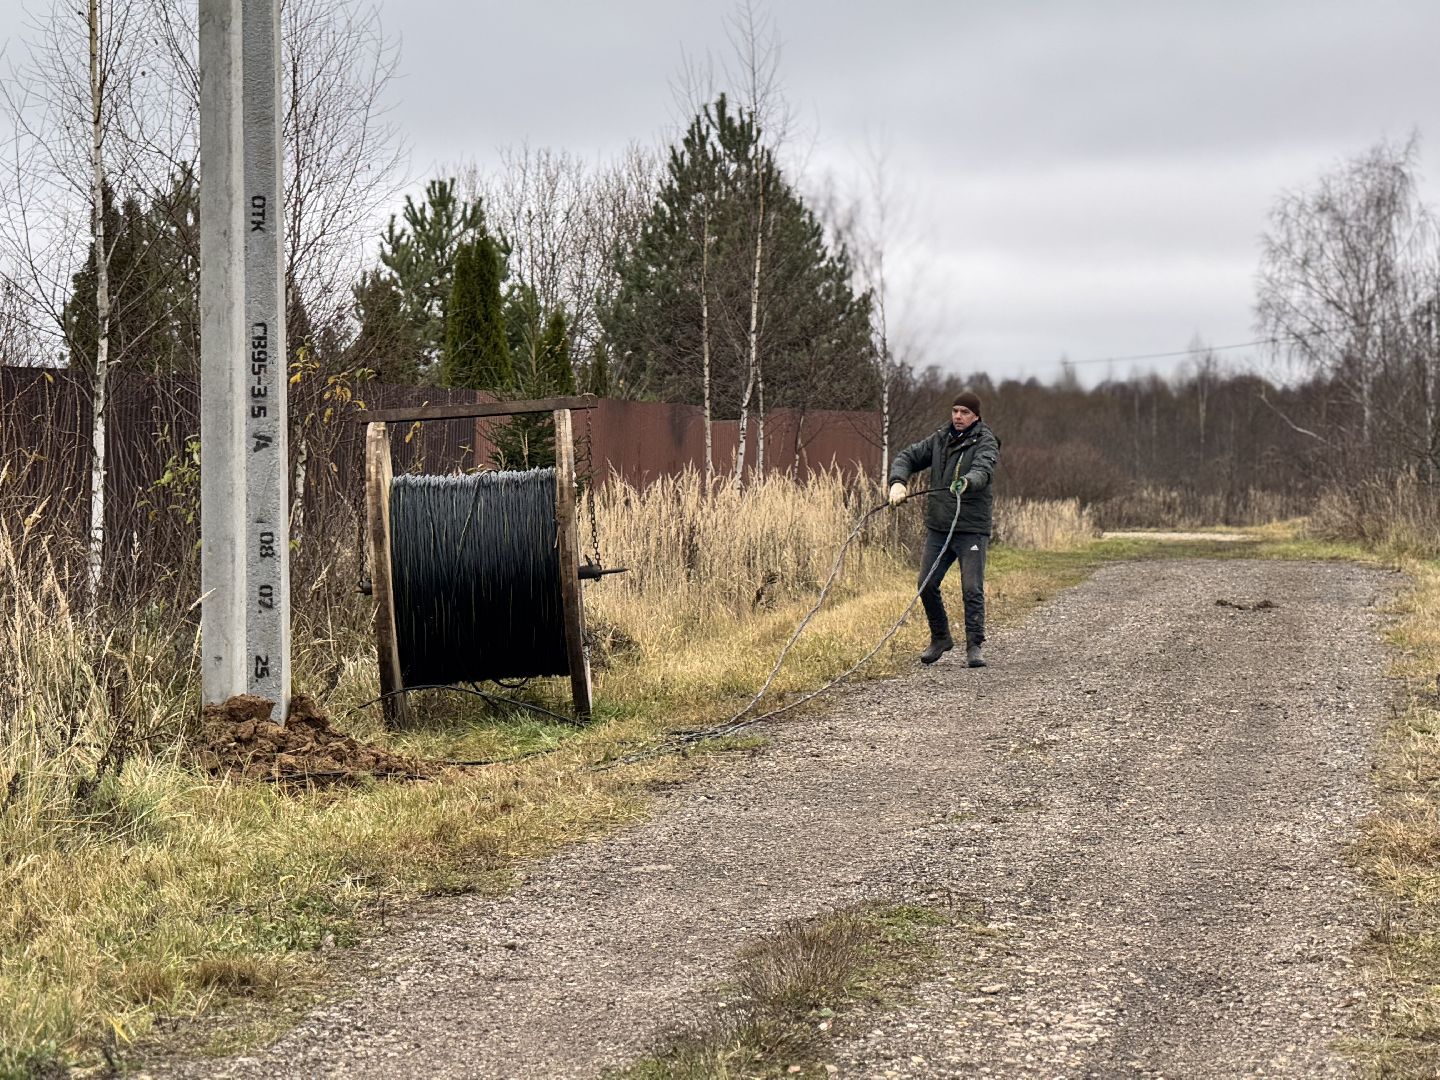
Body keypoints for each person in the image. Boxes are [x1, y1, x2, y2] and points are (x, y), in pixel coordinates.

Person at [887, 391, 1000, 667]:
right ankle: (940, 637)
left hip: (971, 528)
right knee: (925, 584)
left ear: (976, 416)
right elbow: (907, 457)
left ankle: (975, 646)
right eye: (955, 411)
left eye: (964, 412)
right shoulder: (939, 439)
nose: (958, 417)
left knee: (971, 587)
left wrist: (967, 481)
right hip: (939, 527)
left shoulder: (986, 441)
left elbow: (983, 470)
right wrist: (898, 481)